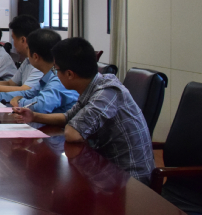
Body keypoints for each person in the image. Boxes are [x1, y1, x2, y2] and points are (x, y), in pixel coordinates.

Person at [14, 37, 154, 185]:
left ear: (70, 74)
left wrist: (71, 125)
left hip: (129, 179)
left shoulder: (107, 92)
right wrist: (34, 116)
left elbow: (73, 134)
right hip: (106, 167)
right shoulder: (92, 86)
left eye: (56, 69)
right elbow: (68, 117)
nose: (55, 74)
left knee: (59, 185)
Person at [0, 29, 78, 115]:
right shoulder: (48, 75)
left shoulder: (59, 78)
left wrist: (19, 101)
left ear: (35, 57)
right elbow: (28, 93)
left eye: (28, 49)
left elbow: (40, 106)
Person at [0, 15, 43, 92]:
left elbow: (26, 90)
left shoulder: (39, 63)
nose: (13, 43)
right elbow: (11, 83)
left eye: (13, 39)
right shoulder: (27, 61)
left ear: (23, 40)